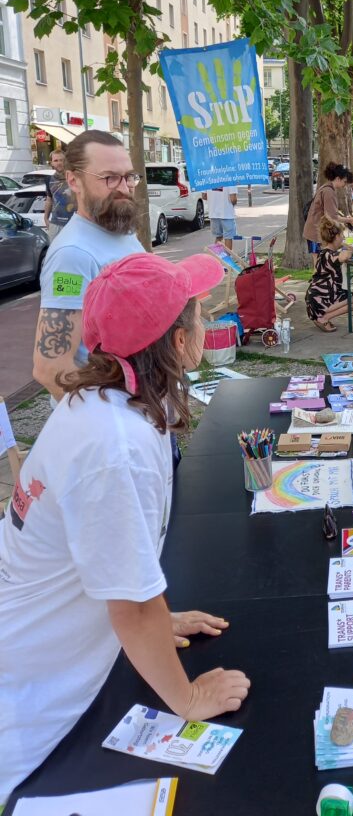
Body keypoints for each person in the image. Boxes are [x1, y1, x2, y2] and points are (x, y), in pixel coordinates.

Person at [0, 252, 250, 803]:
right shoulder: (116, 446)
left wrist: (159, 614)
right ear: (178, 342)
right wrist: (186, 699)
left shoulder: (107, 402)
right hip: (47, 695)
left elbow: (114, 564)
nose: (205, 325)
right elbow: (130, 608)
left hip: (58, 652)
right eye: (199, 315)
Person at [32, 130, 144, 400]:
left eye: (128, 176)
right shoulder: (71, 256)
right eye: (109, 178)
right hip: (117, 420)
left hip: (143, 407)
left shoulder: (118, 228)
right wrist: (108, 424)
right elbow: (51, 368)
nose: (124, 187)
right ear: (74, 181)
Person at [305, 217, 353, 332]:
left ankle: (323, 317)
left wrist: (343, 245)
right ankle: (323, 318)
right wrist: (351, 250)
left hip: (322, 297)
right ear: (336, 237)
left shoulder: (325, 253)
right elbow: (344, 256)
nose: (343, 238)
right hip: (320, 300)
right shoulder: (329, 255)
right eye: (342, 236)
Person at [303, 163, 353, 269]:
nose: (344, 185)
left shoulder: (326, 188)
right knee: (319, 265)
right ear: (338, 178)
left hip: (315, 230)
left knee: (318, 264)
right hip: (316, 233)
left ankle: (318, 283)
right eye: (344, 182)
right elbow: (332, 217)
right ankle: (318, 284)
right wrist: (349, 220)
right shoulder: (328, 191)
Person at [43, 148, 76, 240]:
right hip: (55, 223)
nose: (59, 163)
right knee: (53, 252)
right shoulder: (49, 180)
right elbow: (49, 200)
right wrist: (46, 218)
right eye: (56, 160)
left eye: (61, 160)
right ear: (52, 163)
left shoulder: (75, 178)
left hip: (74, 223)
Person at [207, 186, 239, 251]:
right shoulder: (230, 178)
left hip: (214, 213)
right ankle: (227, 259)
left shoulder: (207, 177)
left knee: (218, 237)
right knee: (228, 237)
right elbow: (233, 199)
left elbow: (204, 196)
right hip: (227, 213)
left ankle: (217, 258)